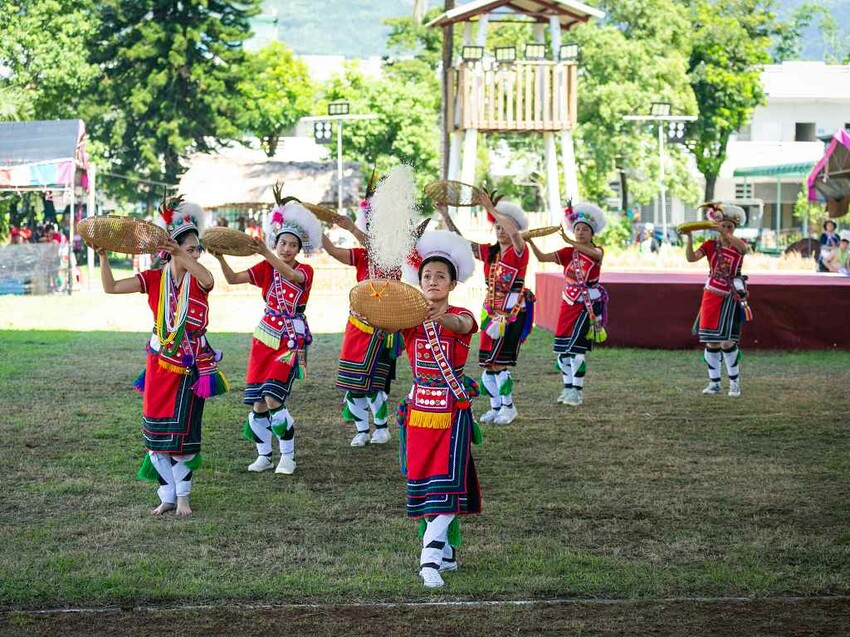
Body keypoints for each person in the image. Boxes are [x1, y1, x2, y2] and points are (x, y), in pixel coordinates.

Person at [94, 199, 228, 516]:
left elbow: (209, 279)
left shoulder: (197, 278)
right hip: (159, 361)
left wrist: (180, 252)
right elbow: (111, 287)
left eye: (198, 249)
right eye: (191, 248)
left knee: (183, 433)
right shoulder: (155, 279)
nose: (196, 254)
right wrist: (103, 256)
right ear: (173, 249)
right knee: (155, 435)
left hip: (193, 364)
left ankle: (183, 498)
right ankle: (167, 495)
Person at [391, 230, 481, 589]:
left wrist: (438, 317)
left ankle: (428, 560)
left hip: (451, 413)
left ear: (453, 283)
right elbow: (382, 320)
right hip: (418, 413)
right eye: (427, 276)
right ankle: (444, 553)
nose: (432, 281)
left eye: (440, 276)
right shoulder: (410, 318)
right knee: (424, 486)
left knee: (446, 486)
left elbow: (461, 326)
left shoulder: (463, 315)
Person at [212, 196, 321, 475]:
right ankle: (264, 455)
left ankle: (288, 456)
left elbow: (291, 276)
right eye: (283, 243)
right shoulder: (266, 267)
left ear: (299, 249)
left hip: (288, 342)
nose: (287, 248)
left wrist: (266, 253)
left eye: (292, 245)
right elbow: (234, 279)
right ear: (276, 243)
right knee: (258, 404)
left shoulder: (303, 271)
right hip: (264, 338)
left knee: (274, 398)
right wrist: (220, 258)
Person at [439, 196, 534, 425]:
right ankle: (495, 407)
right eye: (497, 226)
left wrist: (492, 209)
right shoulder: (489, 253)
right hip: (490, 313)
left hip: (511, 313)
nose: (501, 230)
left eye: (505, 226)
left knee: (499, 363)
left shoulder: (519, 251)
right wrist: (446, 216)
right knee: (488, 364)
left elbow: (514, 235)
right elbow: (462, 241)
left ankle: (509, 407)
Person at [322, 193, 399, 447]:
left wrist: (352, 227)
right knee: (351, 383)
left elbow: (376, 247)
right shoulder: (361, 256)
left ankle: (381, 428)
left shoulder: (394, 256)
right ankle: (361, 430)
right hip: (356, 327)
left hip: (381, 330)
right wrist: (315, 229)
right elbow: (333, 251)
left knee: (374, 384)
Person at [528, 203, 608, 407]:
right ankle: (567, 388)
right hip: (568, 303)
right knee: (563, 350)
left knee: (577, 349)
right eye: (578, 229)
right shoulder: (568, 253)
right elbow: (542, 257)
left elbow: (596, 256)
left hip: (587, 305)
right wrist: (531, 243)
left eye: (585, 230)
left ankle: (577, 392)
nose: (580, 233)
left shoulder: (597, 251)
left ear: (592, 233)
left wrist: (568, 240)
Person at [682, 202, 751, 397]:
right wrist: (689, 239)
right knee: (711, 341)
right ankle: (714, 383)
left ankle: (734, 383)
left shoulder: (739, 244)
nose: (726, 229)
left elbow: (744, 250)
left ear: (734, 228)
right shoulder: (710, 245)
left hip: (731, 294)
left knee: (727, 342)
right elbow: (691, 258)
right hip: (711, 293)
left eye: (730, 226)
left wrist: (726, 233)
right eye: (724, 225)